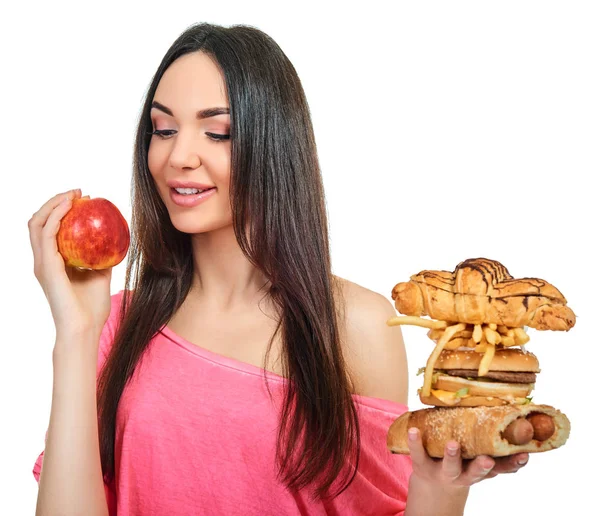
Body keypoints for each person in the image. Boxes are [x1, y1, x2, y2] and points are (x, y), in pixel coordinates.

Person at [29, 22, 529, 515]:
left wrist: (444, 489)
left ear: (275, 146)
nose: (179, 155)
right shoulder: (113, 326)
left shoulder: (355, 326)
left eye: (217, 133)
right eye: (163, 130)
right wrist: (76, 332)